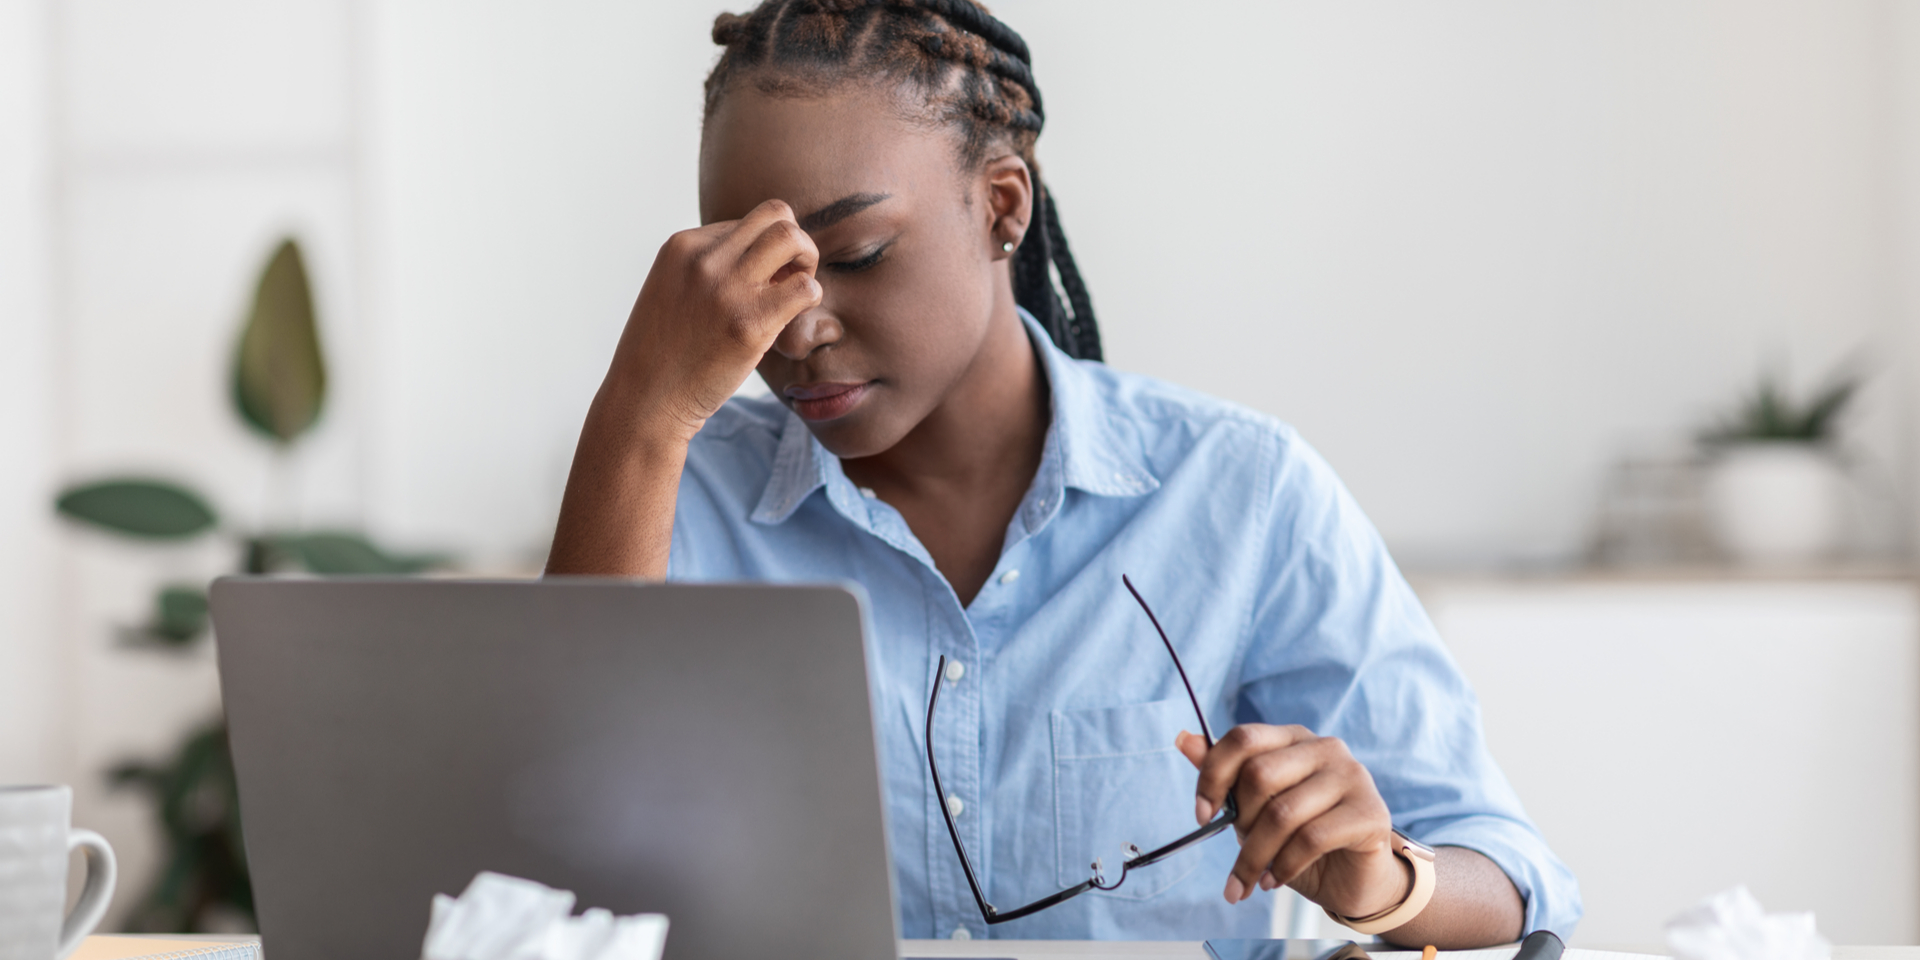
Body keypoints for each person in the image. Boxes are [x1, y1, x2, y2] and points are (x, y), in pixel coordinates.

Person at [547, 0, 1579, 947]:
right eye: (751, 268)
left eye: (855, 254)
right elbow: (538, 868)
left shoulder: (1237, 493)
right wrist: (640, 409)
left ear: (1002, 205)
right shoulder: (673, 486)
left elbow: (1518, 877)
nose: (799, 326)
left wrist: (1381, 880)